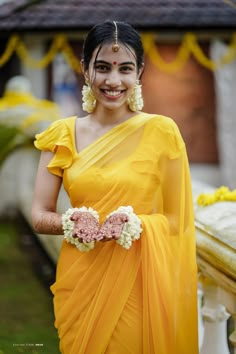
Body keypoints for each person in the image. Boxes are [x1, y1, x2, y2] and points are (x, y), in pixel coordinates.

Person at [31, 20, 199, 354]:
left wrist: (134, 225)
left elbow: (176, 220)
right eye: (103, 67)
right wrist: (70, 222)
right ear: (85, 69)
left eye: (125, 68)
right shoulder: (61, 135)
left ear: (139, 73)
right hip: (80, 282)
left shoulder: (161, 132)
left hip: (138, 285)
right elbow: (39, 214)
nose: (113, 80)